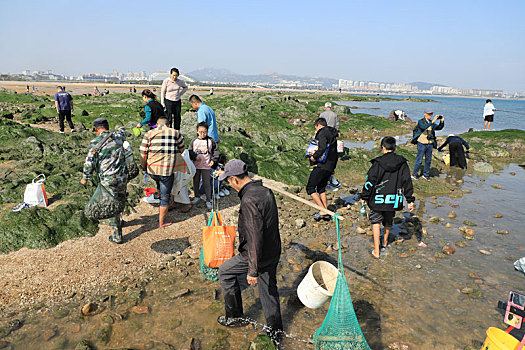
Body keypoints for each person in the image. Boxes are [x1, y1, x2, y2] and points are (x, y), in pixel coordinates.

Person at [216, 160, 283, 346]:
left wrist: (252, 270)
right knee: (269, 291)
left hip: (255, 255)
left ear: (234, 180)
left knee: (225, 272)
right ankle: (276, 333)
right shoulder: (265, 191)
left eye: (228, 181)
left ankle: (235, 316)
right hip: (273, 250)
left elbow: (254, 237)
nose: (229, 184)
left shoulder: (248, 200)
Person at [360, 136, 415, 259]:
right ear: (395, 148)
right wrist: (410, 200)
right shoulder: (402, 163)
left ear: (383, 148)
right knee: (388, 220)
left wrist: (364, 195)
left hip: (377, 199)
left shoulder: (378, 163)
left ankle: (376, 251)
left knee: (375, 220)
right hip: (393, 199)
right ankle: (384, 243)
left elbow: (370, 181)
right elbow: (407, 181)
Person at [81, 118, 128, 244]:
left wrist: (85, 178)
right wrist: (118, 126)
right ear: (107, 126)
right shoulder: (118, 136)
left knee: (111, 203)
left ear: (96, 129)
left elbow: (89, 162)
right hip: (122, 176)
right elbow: (123, 130)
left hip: (108, 179)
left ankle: (117, 235)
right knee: (121, 198)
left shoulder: (95, 142)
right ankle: (119, 220)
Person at [139, 115, 185, 228]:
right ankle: (161, 222)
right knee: (165, 196)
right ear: (168, 125)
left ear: (157, 124)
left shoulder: (149, 133)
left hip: (152, 170)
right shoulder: (175, 132)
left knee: (158, 181)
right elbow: (182, 149)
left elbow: (143, 153)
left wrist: (144, 167)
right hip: (167, 170)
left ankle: (158, 194)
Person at [306, 118, 338, 221]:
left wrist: (314, 157)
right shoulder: (332, 133)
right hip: (330, 166)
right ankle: (326, 212)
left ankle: (322, 210)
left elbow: (322, 148)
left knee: (310, 188)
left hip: (322, 166)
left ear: (318, 125)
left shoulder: (323, 133)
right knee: (321, 189)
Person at [188, 122, 220, 210]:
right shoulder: (194, 141)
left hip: (206, 165)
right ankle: (196, 197)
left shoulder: (211, 141)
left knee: (207, 183)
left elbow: (216, 151)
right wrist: (194, 157)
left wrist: (213, 160)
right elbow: (190, 151)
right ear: (197, 131)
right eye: (201, 132)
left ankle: (208, 200)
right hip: (196, 166)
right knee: (196, 182)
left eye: (205, 132)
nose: (203, 134)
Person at [410, 108, 445, 180]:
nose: (430, 115)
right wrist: (432, 121)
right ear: (425, 114)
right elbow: (423, 127)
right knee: (419, 160)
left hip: (430, 144)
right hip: (421, 143)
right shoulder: (421, 121)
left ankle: (425, 175)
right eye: (429, 114)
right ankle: (414, 174)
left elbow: (439, 128)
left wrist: (442, 122)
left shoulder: (431, 122)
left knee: (428, 160)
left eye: (431, 114)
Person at [319, 102, 341, 190]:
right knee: (332, 147)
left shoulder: (322, 114)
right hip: (332, 132)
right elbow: (337, 125)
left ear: (325, 107)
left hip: (324, 132)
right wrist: (337, 132)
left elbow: (320, 123)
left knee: (324, 146)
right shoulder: (334, 114)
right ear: (331, 107)